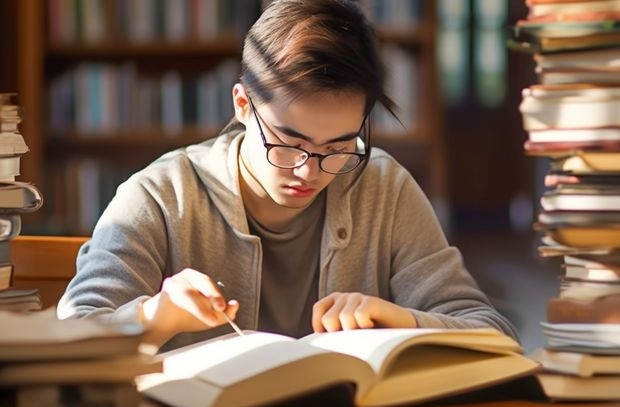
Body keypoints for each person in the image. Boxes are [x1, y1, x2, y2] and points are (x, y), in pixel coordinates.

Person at [57, 0, 518, 352]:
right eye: (289, 143)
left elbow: (493, 333)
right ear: (242, 105)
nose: (308, 171)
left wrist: (403, 319)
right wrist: (154, 316)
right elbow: (68, 338)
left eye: (338, 147)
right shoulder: (158, 196)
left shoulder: (383, 188)